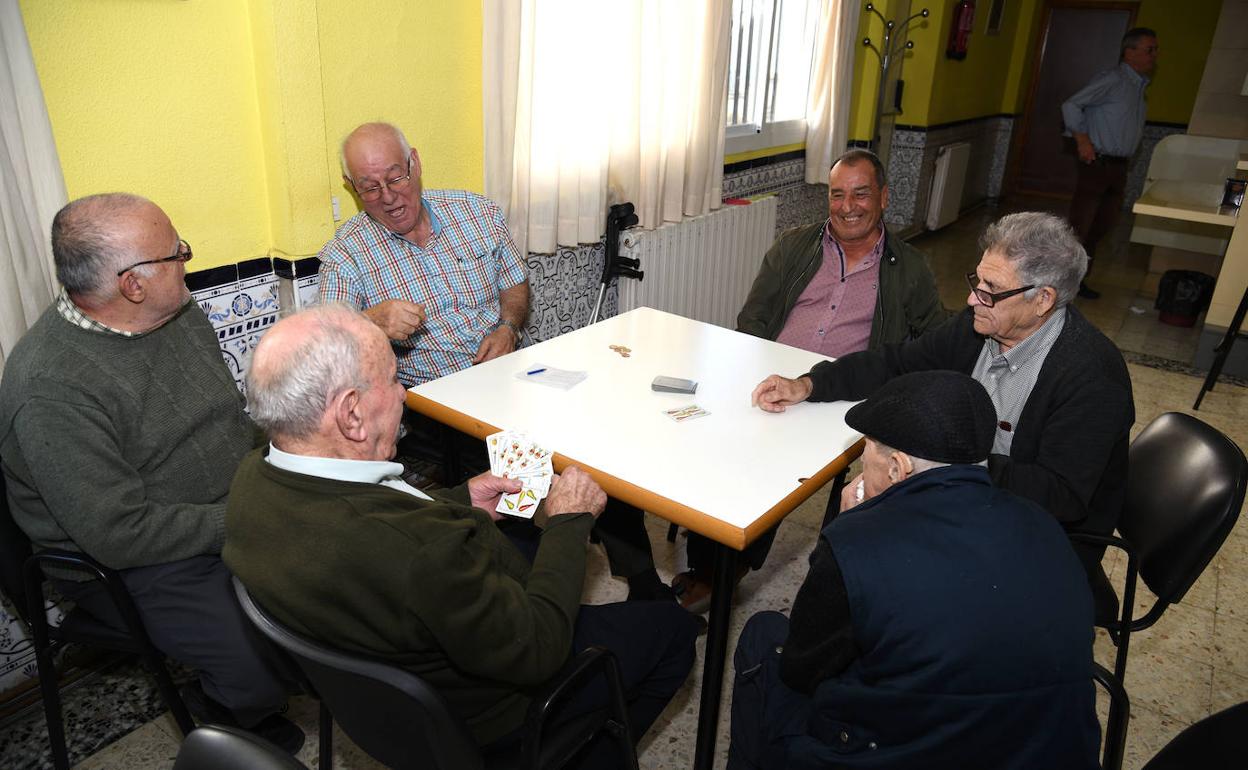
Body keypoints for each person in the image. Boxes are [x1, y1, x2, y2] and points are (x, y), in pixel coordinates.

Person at [223, 304, 698, 766]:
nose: (404, 392)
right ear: (351, 414)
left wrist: (455, 501)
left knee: (523, 541)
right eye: (392, 378)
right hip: (493, 714)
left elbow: (381, 521)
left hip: (381, 694)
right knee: (671, 632)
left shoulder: (252, 480)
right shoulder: (420, 552)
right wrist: (569, 521)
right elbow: (538, 650)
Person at [0, 193, 302, 750]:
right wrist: (247, 516)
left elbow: (228, 420)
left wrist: (293, 461)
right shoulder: (51, 388)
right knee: (252, 646)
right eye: (176, 253)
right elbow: (119, 533)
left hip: (224, 504)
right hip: (130, 558)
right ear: (132, 284)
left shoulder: (177, 313)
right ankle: (229, 712)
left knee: (337, 570)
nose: (187, 258)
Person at [752, 212, 1134, 622]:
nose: (972, 299)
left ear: (1042, 299)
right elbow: (899, 363)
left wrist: (936, 472)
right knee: (857, 503)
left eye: (991, 290)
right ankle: (832, 634)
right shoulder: (979, 328)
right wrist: (810, 385)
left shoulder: (1092, 376)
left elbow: (1061, 496)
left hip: (1035, 533)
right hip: (969, 491)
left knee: (880, 538)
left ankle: (869, 648)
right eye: (977, 282)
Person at [728, 371, 1101, 769]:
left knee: (764, 635)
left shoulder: (857, 546)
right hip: (1047, 753)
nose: (859, 469)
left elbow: (804, 667)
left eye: (865, 452)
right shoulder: (1042, 523)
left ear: (897, 468)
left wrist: (846, 530)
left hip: (904, 752)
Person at [675, 148, 948, 611]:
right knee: (713, 437)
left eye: (861, 194)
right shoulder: (794, 247)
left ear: (883, 197)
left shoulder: (911, 269)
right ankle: (713, 551)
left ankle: (724, 567)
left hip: (843, 394)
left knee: (778, 463)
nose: (847, 206)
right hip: (778, 380)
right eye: (837, 195)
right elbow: (754, 318)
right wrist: (752, 370)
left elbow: (935, 342)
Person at [318, 121, 529, 387]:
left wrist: (508, 328)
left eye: (395, 179)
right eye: (370, 188)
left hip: (514, 371)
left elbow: (514, 282)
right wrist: (369, 322)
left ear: (414, 163)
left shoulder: (478, 212)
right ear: (350, 186)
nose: (388, 197)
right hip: (438, 403)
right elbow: (324, 342)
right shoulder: (345, 253)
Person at [1061, 27, 1159, 300]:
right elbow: (1071, 105)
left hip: (1118, 167)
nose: (1155, 55)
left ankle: (1078, 283)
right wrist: (1082, 140)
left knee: (1102, 225)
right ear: (1130, 52)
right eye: (1149, 49)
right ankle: (1061, 285)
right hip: (1098, 164)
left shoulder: (1137, 86)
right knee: (1080, 227)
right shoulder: (1113, 80)